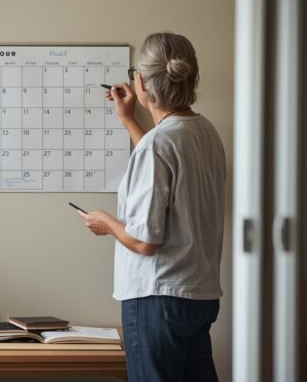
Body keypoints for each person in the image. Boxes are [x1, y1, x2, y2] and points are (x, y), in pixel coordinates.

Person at [77, 32, 226, 382]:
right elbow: (163, 163)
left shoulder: (158, 144)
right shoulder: (205, 132)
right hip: (199, 295)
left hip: (157, 298)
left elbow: (146, 242)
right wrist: (129, 119)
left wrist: (107, 223)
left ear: (141, 81)